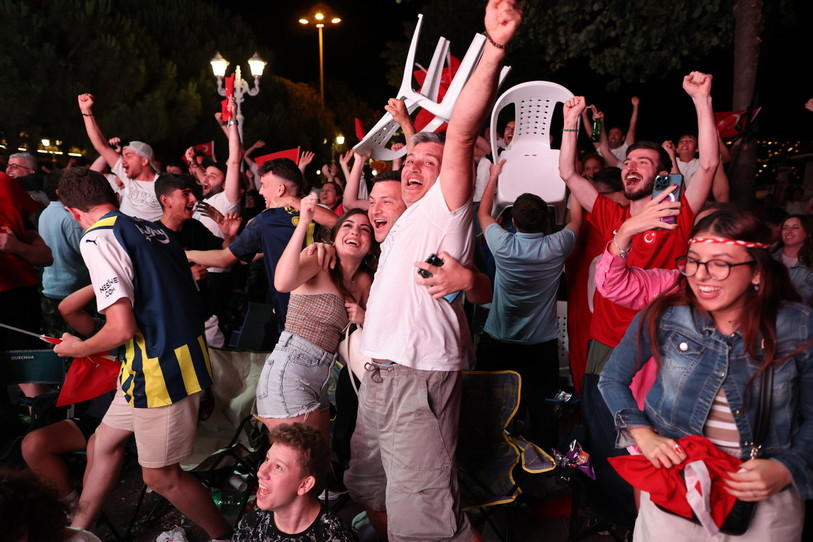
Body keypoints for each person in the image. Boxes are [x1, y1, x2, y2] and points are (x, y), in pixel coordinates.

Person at [343, 3, 521, 541]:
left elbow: (460, 133)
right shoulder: (401, 223)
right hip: (379, 377)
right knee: (368, 487)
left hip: (417, 379)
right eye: (409, 161)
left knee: (428, 524)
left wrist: (493, 47)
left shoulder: (445, 208)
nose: (415, 167)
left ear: (449, 177)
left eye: (430, 163)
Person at [599, 208, 813, 541]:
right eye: (694, 261)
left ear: (757, 271)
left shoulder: (797, 326)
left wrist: (788, 467)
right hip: (678, 488)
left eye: (720, 264)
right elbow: (611, 378)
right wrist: (643, 434)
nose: (700, 275)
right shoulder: (666, 314)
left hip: (763, 498)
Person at [52, 167, 231, 541]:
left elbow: (120, 328)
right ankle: (80, 530)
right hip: (167, 360)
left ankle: (224, 537)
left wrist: (77, 349)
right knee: (102, 442)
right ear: (115, 197)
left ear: (72, 212)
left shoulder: (97, 237)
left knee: (160, 476)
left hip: (159, 370)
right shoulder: (152, 229)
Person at [476, 158, 580, 448]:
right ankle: (544, 462)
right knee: (544, 412)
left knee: (491, 410)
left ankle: (494, 461)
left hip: (498, 342)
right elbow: (576, 220)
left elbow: (483, 212)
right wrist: (572, 180)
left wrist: (493, 175)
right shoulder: (557, 246)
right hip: (540, 346)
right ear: (547, 222)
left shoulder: (502, 243)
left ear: (512, 222)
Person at [257, 193, 376, 440]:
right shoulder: (319, 258)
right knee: (300, 458)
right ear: (334, 235)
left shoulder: (364, 282)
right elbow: (282, 283)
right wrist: (304, 222)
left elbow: (378, 335)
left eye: (364, 229)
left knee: (318, 458)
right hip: (289, 370)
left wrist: (364, 317)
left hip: (323, 378)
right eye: (347, 225)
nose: (355, 232)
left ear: (370, 244)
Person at [187, 159, 337, 342]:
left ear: (280, 189)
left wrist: (185, 254)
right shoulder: (317, 211)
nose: (260, 191)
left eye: (264, 185)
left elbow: (225, 259)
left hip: (293, 315)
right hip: (327, 309)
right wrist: (231, 236)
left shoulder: (266, 219)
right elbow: (247, 258)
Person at [231, 423, 355, 542]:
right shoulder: (253, 521)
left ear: (305, 485)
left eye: (278, 467)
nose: (261, 473)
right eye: (267, 459)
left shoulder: (333, 537)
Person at [77, 93, 162, 221]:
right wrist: (86, 110)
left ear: (144, 160)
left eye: (128, 156)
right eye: (122, 156)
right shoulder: (128, 178)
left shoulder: (163, 185)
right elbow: (101, 146)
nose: (123, 161)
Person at [773, 214, 813, 304]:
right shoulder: (770, 257)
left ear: (809, 233)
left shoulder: (810, 264)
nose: (788, 232)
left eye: (795, 228)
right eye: (785, 228)